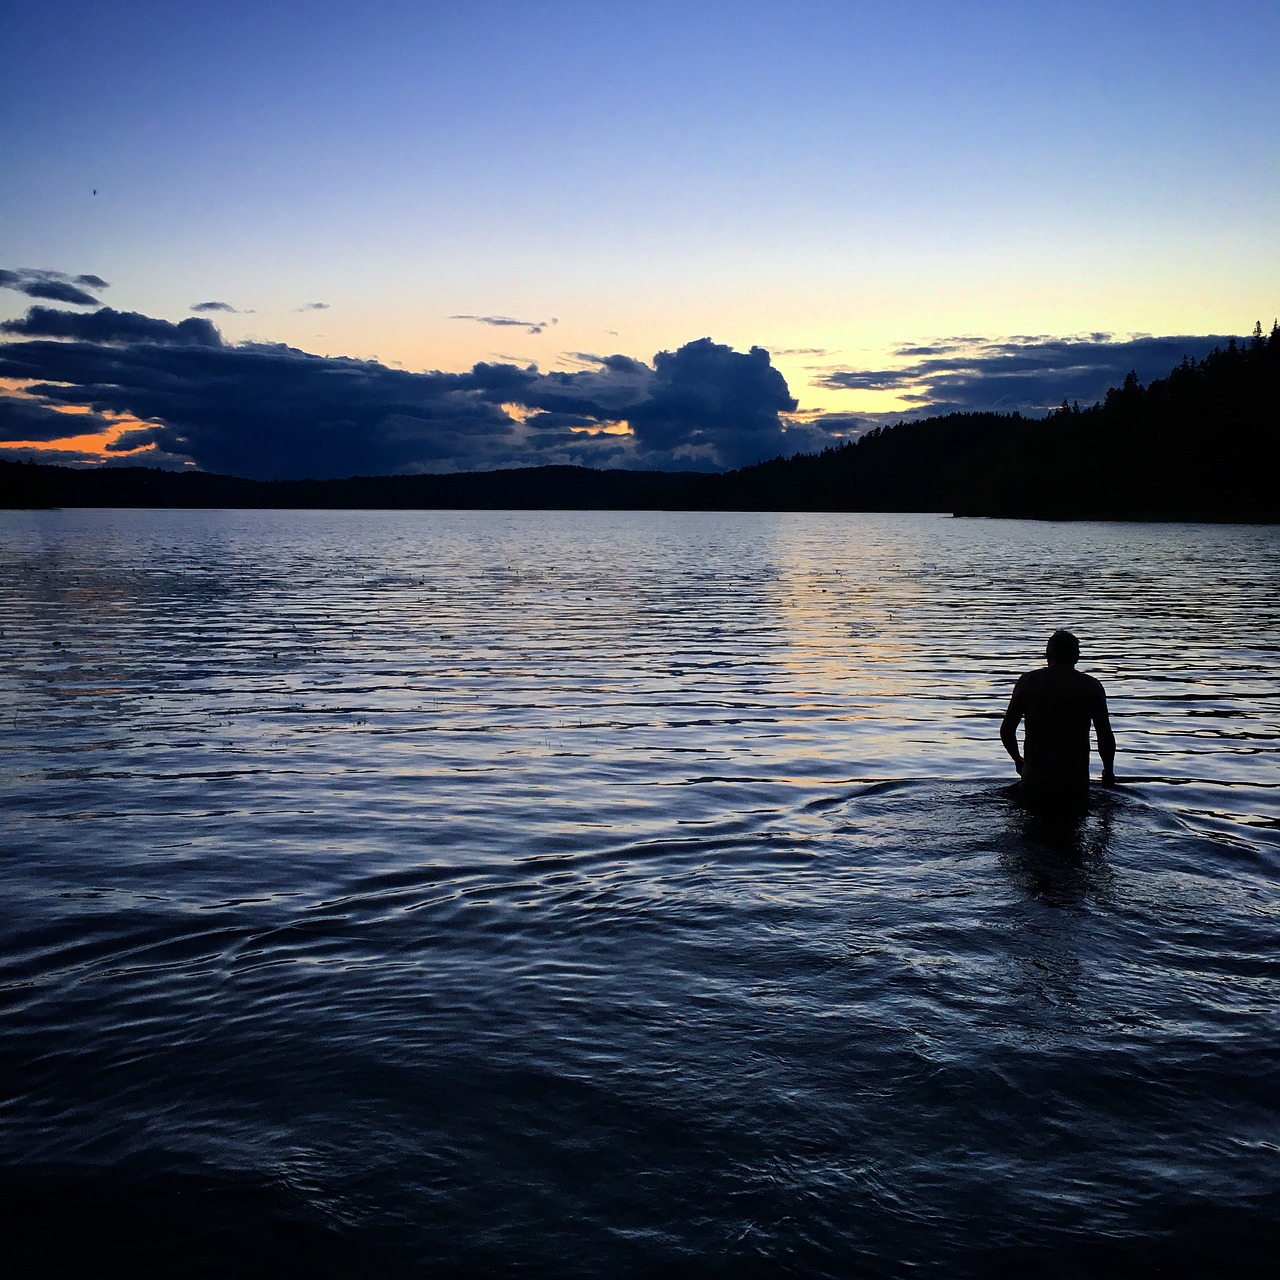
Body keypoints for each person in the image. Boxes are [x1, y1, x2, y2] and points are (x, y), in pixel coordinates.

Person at [1001, 630, 1116, 810]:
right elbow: (1105, 737)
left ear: (1047, 655)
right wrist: (1108, 771)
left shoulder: (1028, 682)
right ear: (1077, 657)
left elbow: (1007, 731)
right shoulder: (1090, 687)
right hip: (1073, 783)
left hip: (1035, 780)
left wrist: (1018, 761)